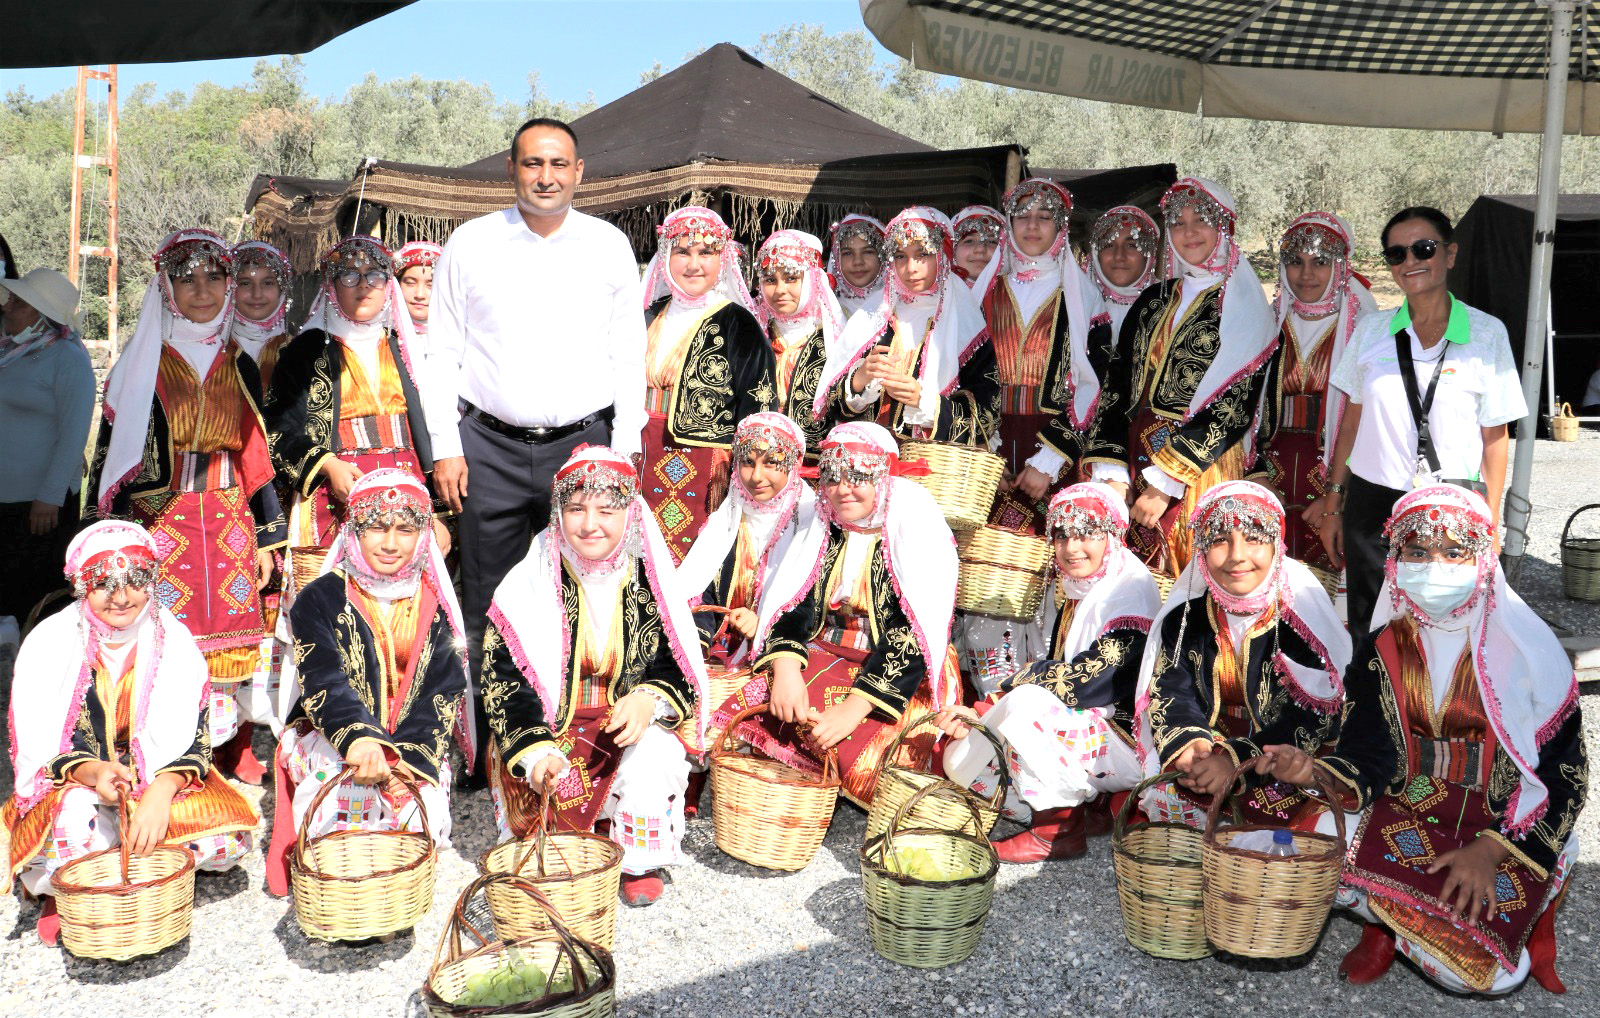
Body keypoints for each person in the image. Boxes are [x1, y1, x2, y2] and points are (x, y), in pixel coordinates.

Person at [1257, 485, 1585, 995]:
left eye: (1454, 553)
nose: (1435, 567)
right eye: (1417, 552)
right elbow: (1367, 752)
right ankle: (1390, 923)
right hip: (1407, 809)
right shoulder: (1384, 644)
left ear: (1483, 557)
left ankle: (1413, 914)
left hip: (1502, 825)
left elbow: (1565, 775)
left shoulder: (1529, 651)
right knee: (1301, 847)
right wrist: (1314, 770)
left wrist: (1491, 851)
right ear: (1396, 560)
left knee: (1485, 978)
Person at [423, 118, 647, 772]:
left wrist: (624, 448)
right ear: (512, 170)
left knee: (581, 588)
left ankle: (572, 732)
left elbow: (628, 356)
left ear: (580, 172)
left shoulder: (608, 247)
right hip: (484, 449)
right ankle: (493, 744)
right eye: (531, 164)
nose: (545, 177)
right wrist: (445, 443)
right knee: (487, 594)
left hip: (583, 450)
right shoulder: (470, 244)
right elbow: (442, 353)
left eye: (558, 164)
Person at [86, 228, 286, 786]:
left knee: (237, 633)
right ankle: (174, 749)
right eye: (186, 278)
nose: (202, 289)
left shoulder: (236, 361)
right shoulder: (142, 364)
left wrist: (269, 534)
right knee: (170, 638)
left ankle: (232, 748)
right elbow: (113, 454)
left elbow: (254, 451)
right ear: (166, 288)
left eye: (214, 277)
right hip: (163, 519)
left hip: (227, 516)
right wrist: (109, 535)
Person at [4, 521, 257, 945]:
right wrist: (94, 772)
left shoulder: (172, 640)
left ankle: (116, 868)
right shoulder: (49, 644)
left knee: (226, 839)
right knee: (72, 824)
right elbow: (43, 749)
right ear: (81, 586)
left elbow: (195, 742)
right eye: (104, 584)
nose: (122, 598)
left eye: (136, 581)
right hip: (76, 784)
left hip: (156, 776)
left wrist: (159, 793)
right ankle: (74, 888)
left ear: (152, 580)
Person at [480, 445, 709, 907]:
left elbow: (679, 660)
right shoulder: (533, 577)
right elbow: (503, 680)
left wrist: (649, 698)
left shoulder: (650, 576)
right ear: (557, 513)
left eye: (607, 510)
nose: (590, 525)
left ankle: (638, 860)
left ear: (630, 513)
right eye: (575, 509)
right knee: (547, 828)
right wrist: (534, 749)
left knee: (656, 753)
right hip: (551, 730)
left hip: (624, 726)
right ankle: (594, 825)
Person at [727, 422, 961, 806]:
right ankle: (794, 790)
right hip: (827, 652)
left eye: (859, 477)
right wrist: (786, 672)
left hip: (897, 672)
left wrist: (853, 709)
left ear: (884, 479)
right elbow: (793, 606)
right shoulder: (822, 527)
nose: (843, 489)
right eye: (833, 477)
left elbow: (912, 634)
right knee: (761, 709)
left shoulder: (911, 526)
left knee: (869, 759)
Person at [1317, 206, 1525, 638]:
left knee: (1443, 627)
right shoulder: (1371, 331)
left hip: (1451, 503)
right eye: (1397, 254)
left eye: (1422, 249)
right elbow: (1351, 426)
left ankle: (1433, 706)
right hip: (1373, 502)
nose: (1410, 262)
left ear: (1449, 255)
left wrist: (1490, 518)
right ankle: (1368, 704)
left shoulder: (1487, 334)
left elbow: (1495, 436)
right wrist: (1335, 503)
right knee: (1369, 626)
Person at [264, 469, 469, 897]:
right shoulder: (317, 598)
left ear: (423, 536)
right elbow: (324, 681)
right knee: (342, 802)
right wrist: (360, 742)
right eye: (376, 527)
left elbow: (440, 695)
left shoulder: (436, 604)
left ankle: (388, 890)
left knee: (416, 815)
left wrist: (404, 763)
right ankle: (342, 895)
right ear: (353, 530)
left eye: (406, 529)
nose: (391, 544)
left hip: (413, 746)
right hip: (334, 736)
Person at [939, 482, 1162, 862]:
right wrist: (987, 712)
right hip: (1096, 733)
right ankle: (1084, 810)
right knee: (959, 763)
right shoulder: (1083, 586)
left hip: (1132, 741)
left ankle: (1055, 831)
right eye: (1062, 535)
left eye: (1087, 533)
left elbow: (1089, 682)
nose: (1072, 548)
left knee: (1027, 708)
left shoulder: (1129, 591)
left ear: (1112, 535)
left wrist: (1000, 696)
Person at [961, 180, 1114, 691]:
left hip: (1055, 449)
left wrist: (1048, 461)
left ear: (1060, 228)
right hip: (994, 447)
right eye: (1021, 215)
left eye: (1043, 218)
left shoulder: (1081, 292)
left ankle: (1050, 686)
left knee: (1055, 567)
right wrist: (987, 457)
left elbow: (1095, 385)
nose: (1031, 226)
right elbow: (965, 378)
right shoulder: (984, 290)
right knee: (992, 566)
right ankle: (992, 690)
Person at [1084, 177, 1278, 578]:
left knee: (1189, 577)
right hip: (1135, 459)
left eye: (1201, 220)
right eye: (1178, 222)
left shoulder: (1243, 304)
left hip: (1199, 467)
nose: (1188, 232)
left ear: (1224, 226)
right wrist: (1112, 468)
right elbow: (1117, 387)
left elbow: (1234, 407)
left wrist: (1165, 482)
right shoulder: (1155, 298)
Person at [1133, 480, 1350, 829]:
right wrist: (1191, 745)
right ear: (1201, 552)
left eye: (1254, 538)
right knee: (1163, 796)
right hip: (1210, 748)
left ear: (1277, 546)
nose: (1237, 556)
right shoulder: (1187, 616)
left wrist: (1234, 762)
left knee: (1311, 827)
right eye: (1219, 540)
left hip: (1284, 762)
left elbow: (1313, 717)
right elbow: (1170, 688)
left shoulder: (1300, 620)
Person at [265, 236, 442, 557]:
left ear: (388, 284)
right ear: (332, 286)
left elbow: (434, 429)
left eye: (374, 275)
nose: (363, 285)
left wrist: (439, 512)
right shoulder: (305, 351)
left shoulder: (405, 348)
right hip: (335, 494)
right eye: (349, 275)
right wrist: (328, 465)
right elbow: (277, 429)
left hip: (407, 490)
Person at [638, 205, 776, 562]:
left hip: (703, 465)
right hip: (638, 453)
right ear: (666, 256)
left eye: (706, 253)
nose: (693, 264)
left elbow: (759, 410)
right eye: (682, 251)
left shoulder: (739, 324)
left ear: (723, 260)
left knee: (690, 562)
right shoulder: (647, 315)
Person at [1255, 213, 1378, 577]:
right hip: (1268, 476)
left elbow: (1369, 424)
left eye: (1320, 262)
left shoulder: (1363, 327)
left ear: (1341, 267)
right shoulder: (1267, 322)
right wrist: (1255, 477)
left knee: (1325, 592)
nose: (1306, 274)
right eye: (1295, 261)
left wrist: (1335, 499)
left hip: (1335, 477)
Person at [816, 207, 999, 447]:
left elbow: (988, 417)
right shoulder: (874, 318)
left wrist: (926, 403)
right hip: (869, 464)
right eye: (901, 256)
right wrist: (858, 381)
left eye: (922, 254)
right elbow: (834, 406)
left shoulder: (965, 320)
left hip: (936, 469)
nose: (911, 268)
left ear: (942, 255)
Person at [678, 412, 827, 660]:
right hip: (718, 653)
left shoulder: (811, 523)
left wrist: (764, 622)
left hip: (785, 654)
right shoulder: (728, 517)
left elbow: (813, 604)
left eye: (771, 463)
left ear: (793, 464)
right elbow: (698, 588)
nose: (756, 476)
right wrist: (699, 641)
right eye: (747, 462)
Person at [0, 268, 95, 625]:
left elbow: (74, 434)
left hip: (38, 504)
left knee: (31, 595)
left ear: (43, 316)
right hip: (5, 499)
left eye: (19, 303)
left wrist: (51, 496)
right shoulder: (10, 352)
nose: (8, 308)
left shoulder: (69, 359)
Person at [752, 231, 842, 455]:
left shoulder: (836, 337)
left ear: (812, 279)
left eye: (791, 278)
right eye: (770, 280)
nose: (780, 290)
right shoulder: (752, 334)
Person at [1085, 205, 1159, 338]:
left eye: (1131, 245)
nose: (1119, 256)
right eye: (1108, 245)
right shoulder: (1079, 309)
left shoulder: (1169, 308)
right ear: (1096, 254)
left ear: (1149, 255)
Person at [228, 240, 294, 386]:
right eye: (245, 283)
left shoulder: (298, 349)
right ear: (230, 288)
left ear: (282, 290)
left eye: (268, 283)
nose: (257, 294)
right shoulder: (214, 347)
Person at [828, 214, 887, 317]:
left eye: (867, 252)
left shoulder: (902, 312)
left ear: (883, 257)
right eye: (848, 253)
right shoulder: (824, 314)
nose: (858, 261)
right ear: (836, 260)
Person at [950, 204, 1005, 296]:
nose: (980, 249)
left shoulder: (1021, 296)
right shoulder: (935, 302)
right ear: (953, 250)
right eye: (969, 241)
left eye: (992, 242)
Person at [395, 240, 441, 337]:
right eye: (410, 283)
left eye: (431, 286)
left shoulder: (461, 337)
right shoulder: (380, 337)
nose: (419, 295)